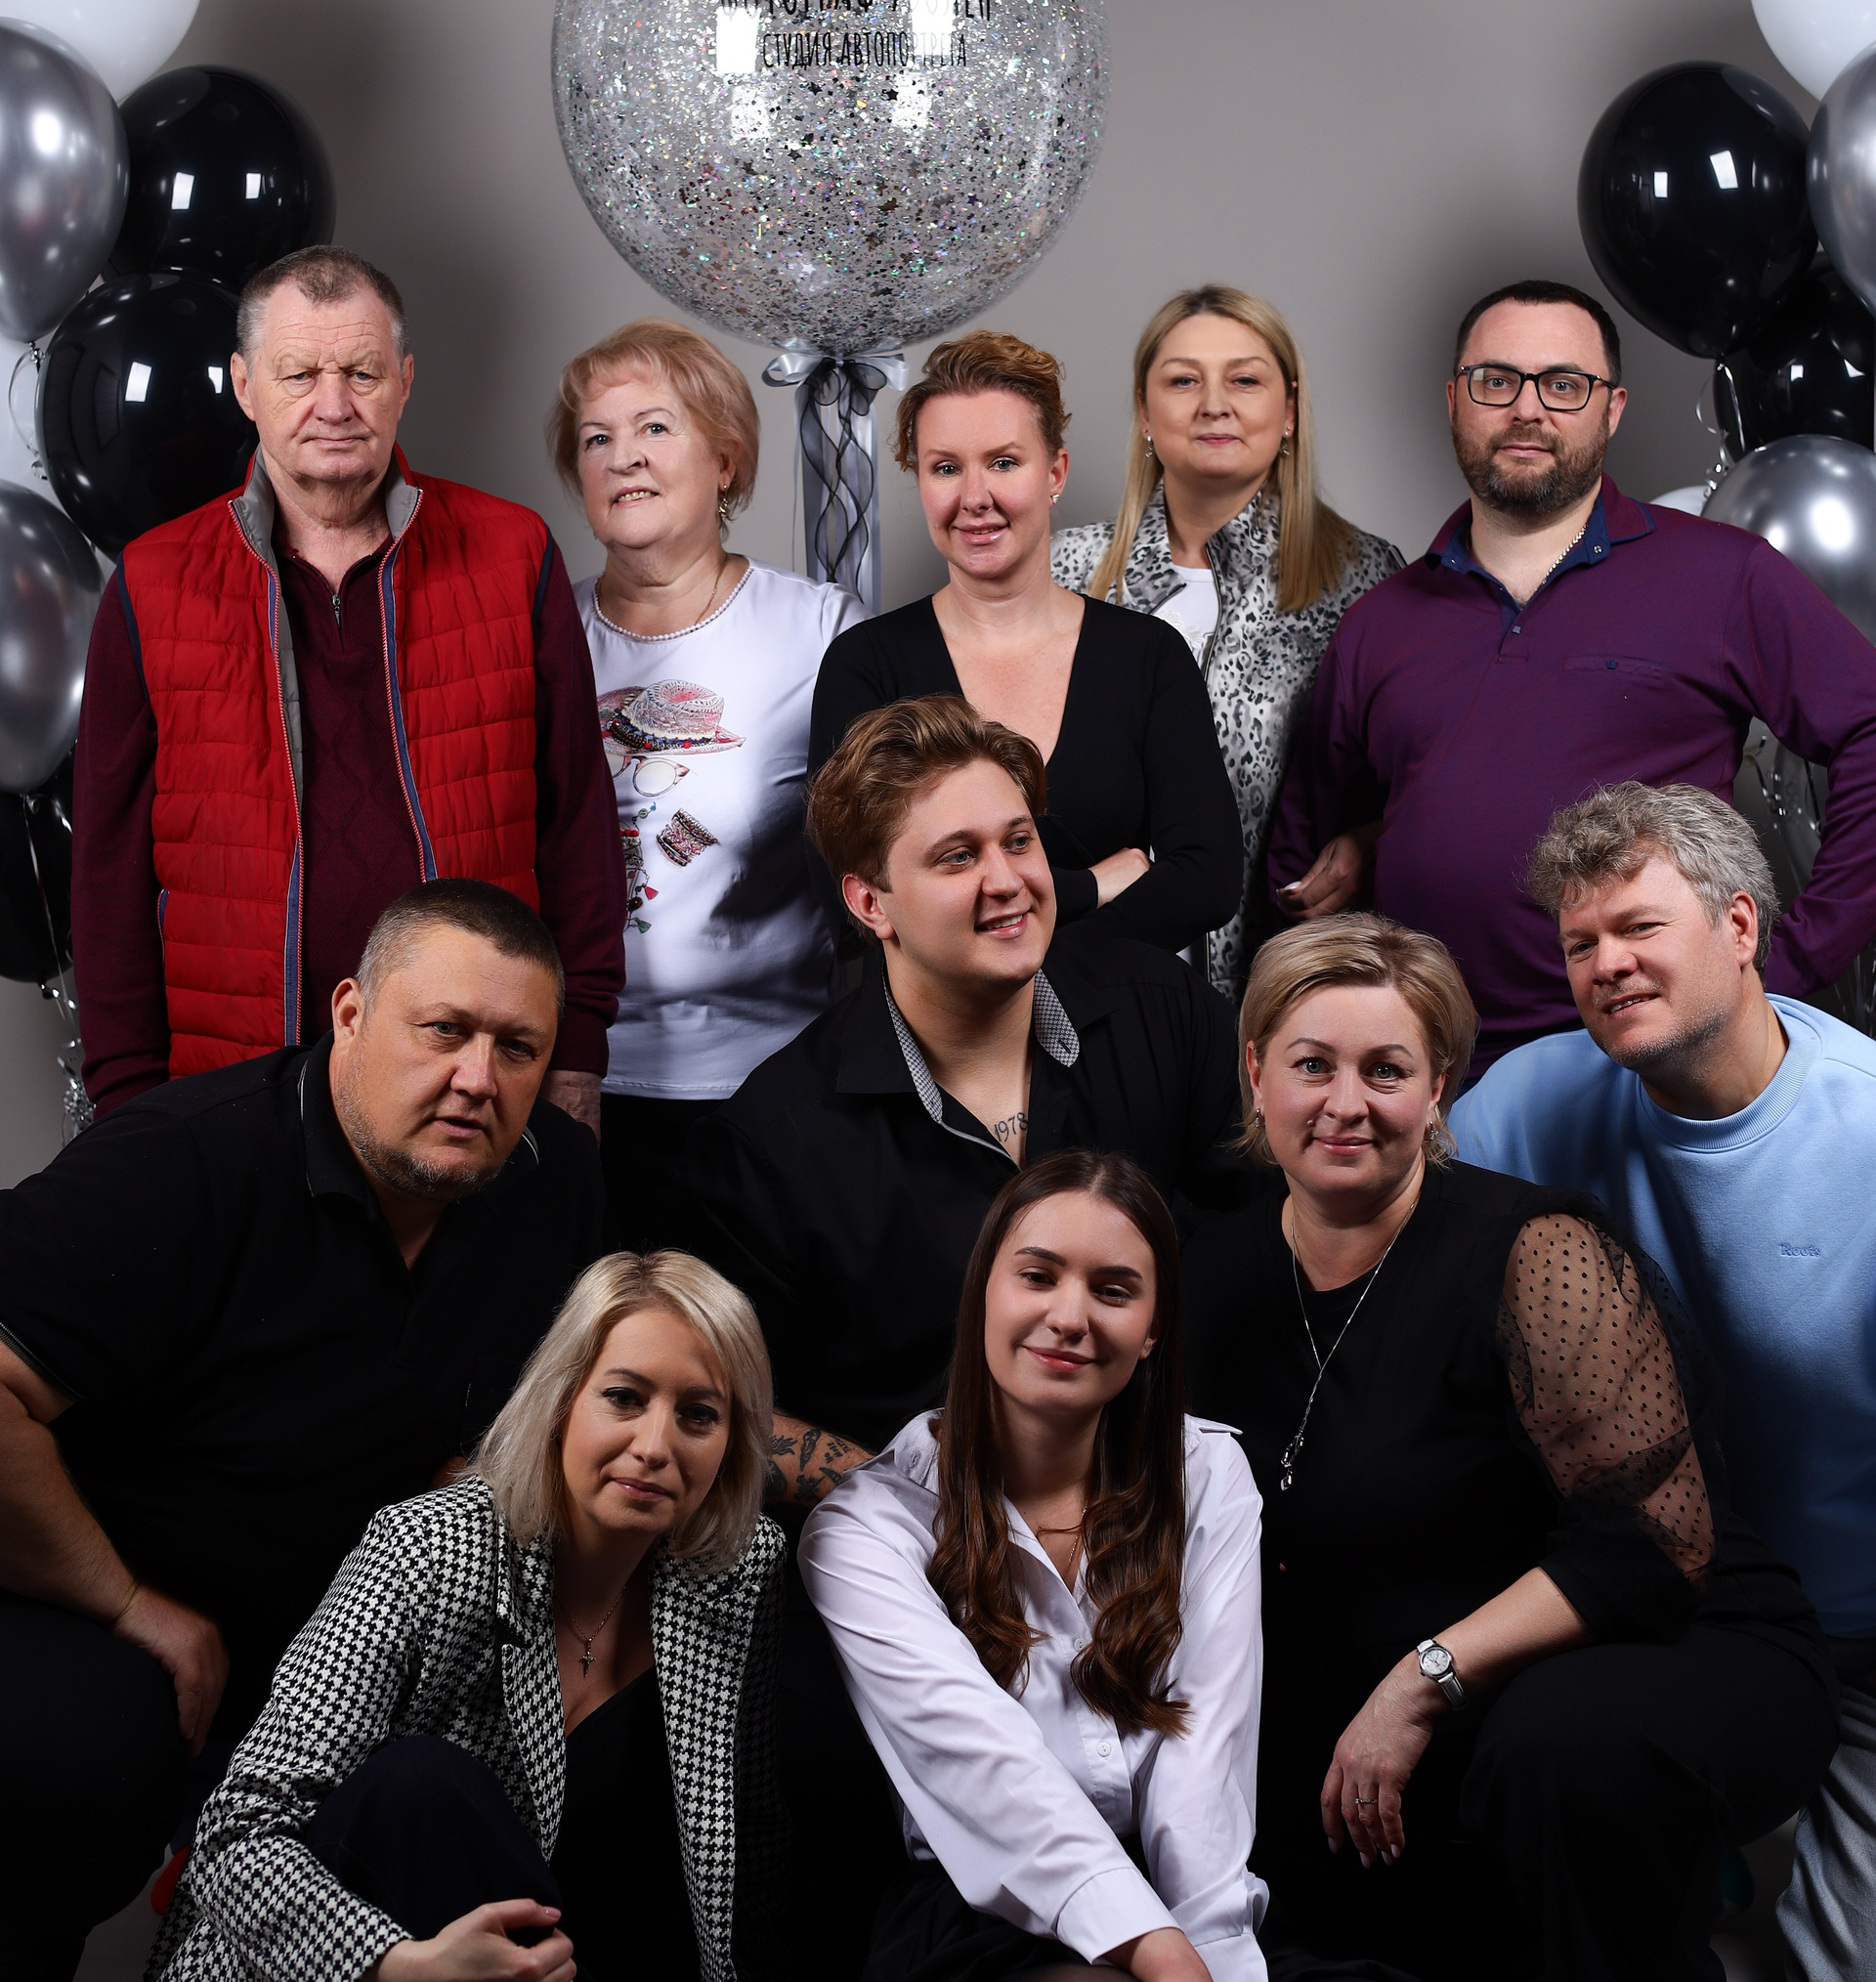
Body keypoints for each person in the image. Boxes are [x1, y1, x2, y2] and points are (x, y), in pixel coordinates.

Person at [1181, 915, 1837, 1982]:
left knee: (1564, 1752)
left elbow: (1651, 1550)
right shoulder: (1210, 1270)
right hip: (1425, 1656)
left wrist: (1419, 1681)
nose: (1346, 1103)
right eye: (1312, 1065)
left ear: (1439, 1089)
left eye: (1388, 1069)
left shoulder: (1535, 1253)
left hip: (1660, 1637)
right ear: (1256, 1075)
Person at [798, 1150, 1471, 1982]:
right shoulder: (867, 1528)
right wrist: (1161, 1967)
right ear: (984, 1293)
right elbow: (992, 1779)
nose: (1072, 1316)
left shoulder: (1208, 1476)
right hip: (986, 1951)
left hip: (1171, 1906)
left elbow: (1205, 1755)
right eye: (1038, 1275)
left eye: (1114, 1289)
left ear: (1154, 1328)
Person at [0, 881, 604, 1982]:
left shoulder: (552, 1188)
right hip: (83, 1589)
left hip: (330, 1618)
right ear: (350, 1013)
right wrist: (130, 1604)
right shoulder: (179, 1164)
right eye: (444, 1030)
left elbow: (532, 1416)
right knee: (87, 1748)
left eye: (518, 1048)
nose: (479, 1080)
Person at [134, 1249, 804, 1982]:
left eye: (699, 1414)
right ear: (563, 1397)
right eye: (625, 1397)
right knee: (424, 1788)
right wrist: (405, 1969)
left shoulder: (735, 1575)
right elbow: (233, 1836)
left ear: (731, 1443)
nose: (655, 1444)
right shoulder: (431, 1548)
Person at [1448, 780, 1876, 1982]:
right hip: (1665, 1601)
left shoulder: (1864, 1134)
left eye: (1639, 928)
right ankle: (1698, 1815)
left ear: (1741, 927)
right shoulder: (1526, 1102)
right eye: (1580, 943)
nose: (1606, 966)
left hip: (1863, 1625)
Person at [72, 242, 625, 1135]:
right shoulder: (152, 582)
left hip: (474, 1084)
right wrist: (129, 1101)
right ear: (245, 386)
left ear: (404, 381)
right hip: (228, 1089)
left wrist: (578, 1050)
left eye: (361, 373)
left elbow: (578, 825)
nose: (333, 406)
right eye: (299, 375)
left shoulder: (512, 552)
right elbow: (109, 871)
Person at [1265, 277, 1876, 1069]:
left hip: (1653, 1070)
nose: (1527, 409)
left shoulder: (1722, 574)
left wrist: (1787, 968)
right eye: (1496, 381)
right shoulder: (1381, 621)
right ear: (1454, 401)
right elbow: (1301, 865)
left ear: (1611, 409)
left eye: (1563, 384)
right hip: (1434, 1080)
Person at [680, 694, 1245, 1492]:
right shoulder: (771, 1142)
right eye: (957, 857)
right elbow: (716, 1397)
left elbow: (1271, 1237)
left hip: (1165, 1498)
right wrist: (922, 1507)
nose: (1007, 881)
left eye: (1018, 841)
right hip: (914, 1541)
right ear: (870, 903)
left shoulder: (1166, 1011)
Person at [552, 318, 865, 1251]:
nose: (623, 457)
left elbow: (887, 856)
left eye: (654, 427)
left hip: (767, 1088)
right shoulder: (539, 631)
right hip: (570, 1083)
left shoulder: (818, 630)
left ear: (725, 460)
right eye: (597, 438)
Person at [809, 330, 1242, 958]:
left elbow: (1207, 882)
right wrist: (1089, 886)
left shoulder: (1149, 656)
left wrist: (999, 946)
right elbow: (849, 897)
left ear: (1055, 472)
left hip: (1122, 1012)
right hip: (940, 1024)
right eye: (946, 468)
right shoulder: (866, 664)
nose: (974, 497)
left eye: (1004, 463)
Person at [1052, 284, 1399, 996]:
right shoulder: (1067, 570)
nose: (1214, 404)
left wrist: (1373, 842)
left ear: (1290, 410)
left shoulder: (1363, 576)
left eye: (1244, 380)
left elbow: (1418, 775)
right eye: (1184, 381)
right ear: (1145, 412)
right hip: (1094, 977)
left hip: (1287, 983)